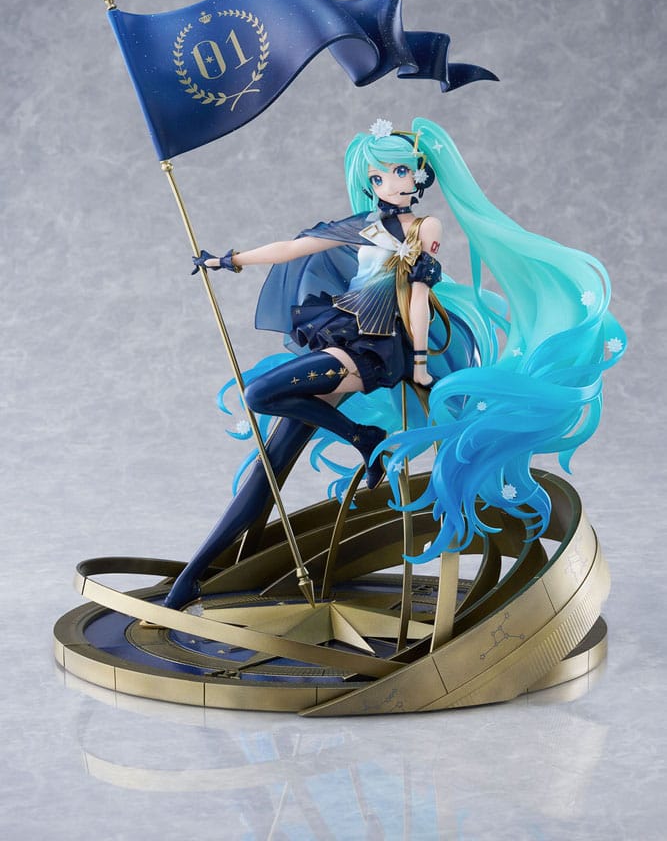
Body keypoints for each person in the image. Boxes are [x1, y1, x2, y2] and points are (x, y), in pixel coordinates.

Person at [164, 117, 624, 610]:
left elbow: (420, 298)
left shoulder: (424, 228)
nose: (393, 183)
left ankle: (364, 438)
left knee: (259, 394)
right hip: (342, 331)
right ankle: (191, 579)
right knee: (268, 470)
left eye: (402, 171)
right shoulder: (361, 225)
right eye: (381, 176)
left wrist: (420, 362)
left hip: (379, 348)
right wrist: (228, 260)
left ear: (419, 174)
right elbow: (293, 248)